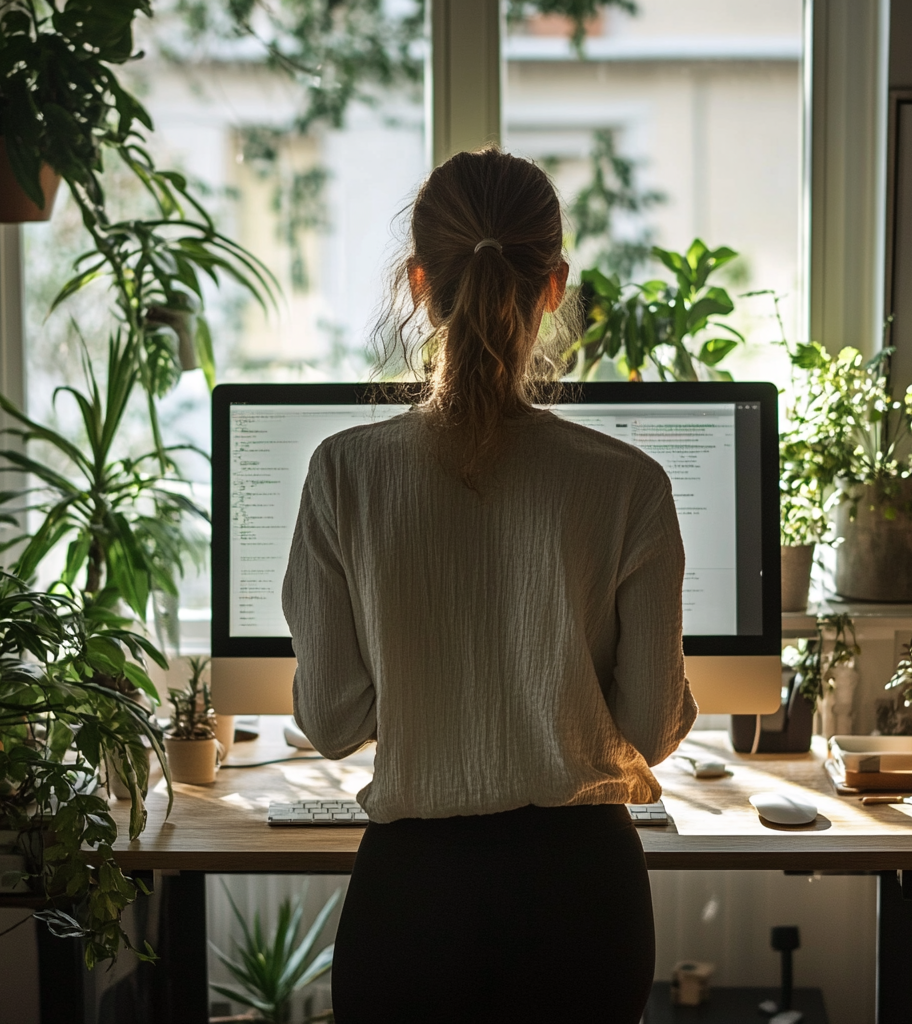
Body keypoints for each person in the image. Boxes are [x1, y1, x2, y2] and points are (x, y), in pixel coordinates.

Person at [282, 147, 697, 1024]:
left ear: (417, 281)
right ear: (555, 286)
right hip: (584, 900)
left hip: (415, 904)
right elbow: (652, 731)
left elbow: (330, 721)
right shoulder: (629, 482)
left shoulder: (343, 475)